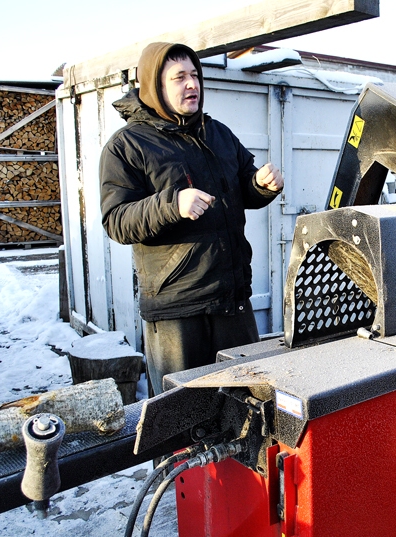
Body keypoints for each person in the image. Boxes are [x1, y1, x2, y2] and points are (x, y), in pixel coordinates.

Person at [99, 42, 283, 395]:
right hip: (177, 313)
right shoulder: (127, 146)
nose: (192, 84)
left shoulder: (218, 135)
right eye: (179, 77)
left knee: (248, 413)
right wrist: (172, 204)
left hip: (233, 302)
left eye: (195, 75)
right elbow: (117, 220)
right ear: (156, 87)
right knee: (182, 423)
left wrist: (261, 185)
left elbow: (245, 188)